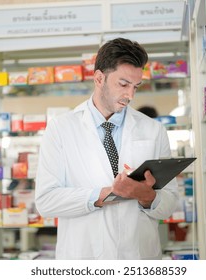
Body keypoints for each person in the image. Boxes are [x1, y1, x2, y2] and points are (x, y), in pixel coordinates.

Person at [35, 38, 180, 260]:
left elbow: (170, 203)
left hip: (138, 258)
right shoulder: (61, 128)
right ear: (99, 78)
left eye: (136, 87)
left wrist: (147, 197)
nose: (130, 95)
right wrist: (105, 194)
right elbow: (46, 201)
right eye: (123, 84)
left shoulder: (153, 129)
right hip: (84, 256)